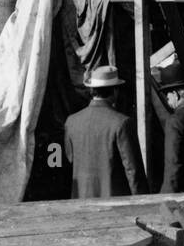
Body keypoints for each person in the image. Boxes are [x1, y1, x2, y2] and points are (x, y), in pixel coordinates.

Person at [63, 65, 148, 198]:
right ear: (115, 91)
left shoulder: (71, 121)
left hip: (80, 201)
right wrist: (143, 202)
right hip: (114, 204)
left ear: (92, 90)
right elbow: (133, 171)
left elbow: (69, 159)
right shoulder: (122, 123)